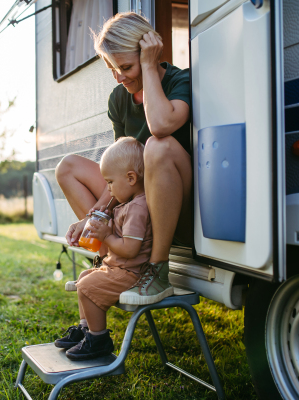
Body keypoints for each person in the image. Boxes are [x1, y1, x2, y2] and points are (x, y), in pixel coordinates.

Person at [56, 12, 192, 304]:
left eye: (126, 66)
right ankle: (114, 263)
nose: (119, 77)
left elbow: (160, 126)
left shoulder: (181, 80)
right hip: (138, 199)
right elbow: (119, 168)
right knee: (68, 167)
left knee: (157, 146)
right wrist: (95, 217)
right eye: (112, 69)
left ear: (149, 53)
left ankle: (156, 269)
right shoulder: (119, 98)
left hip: (176, 202)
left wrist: (148, 67)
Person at [56, 137, 168, 361]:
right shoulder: (128, 203)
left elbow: (130, 249)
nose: (107, 189)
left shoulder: (137, 208)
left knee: (87, 286)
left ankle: (98, 340)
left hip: (131, 274)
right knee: (85, 277)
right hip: (119, 268)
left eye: (109, 182)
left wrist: (106, 236)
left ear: (130, 178)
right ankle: (86, 329)